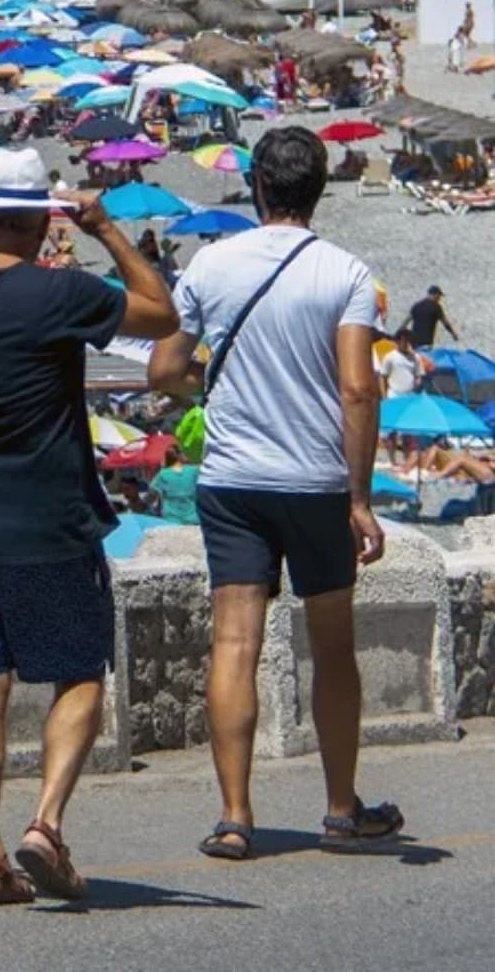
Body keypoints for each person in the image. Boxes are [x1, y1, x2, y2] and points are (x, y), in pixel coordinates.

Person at [0, 147, 177, 904]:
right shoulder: (60, 294)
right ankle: (44, 824)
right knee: (81, 672)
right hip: (49, 526)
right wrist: (107, 229)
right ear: (42, 221)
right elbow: (160, 314)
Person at [149, 125, 404, 861]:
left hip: (232, 481)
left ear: (256, 185)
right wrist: (360, 499)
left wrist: (214, 384)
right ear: (319, 188)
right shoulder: (346, 273)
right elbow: (358, 388)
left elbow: (163, 371)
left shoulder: (212, 264)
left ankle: (234, 815)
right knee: (331, 648)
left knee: (233, 642)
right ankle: (339, 807)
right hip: (317, 481)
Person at [150, 445, 201, 525]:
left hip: (171, 519)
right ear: (180, 455)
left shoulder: (163, 474)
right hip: (192, 518)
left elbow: (152, 492)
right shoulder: (193, 471)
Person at [376, 330, 423, 399]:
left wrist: (417, 383)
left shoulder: (416, 358)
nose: (406, 343)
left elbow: (419, 375)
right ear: (398, 342)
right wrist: (384, 397)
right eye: (404, 341)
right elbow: (382, 377)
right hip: (394, 396)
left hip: (410, 397)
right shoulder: (390, 357)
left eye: (409, 341)